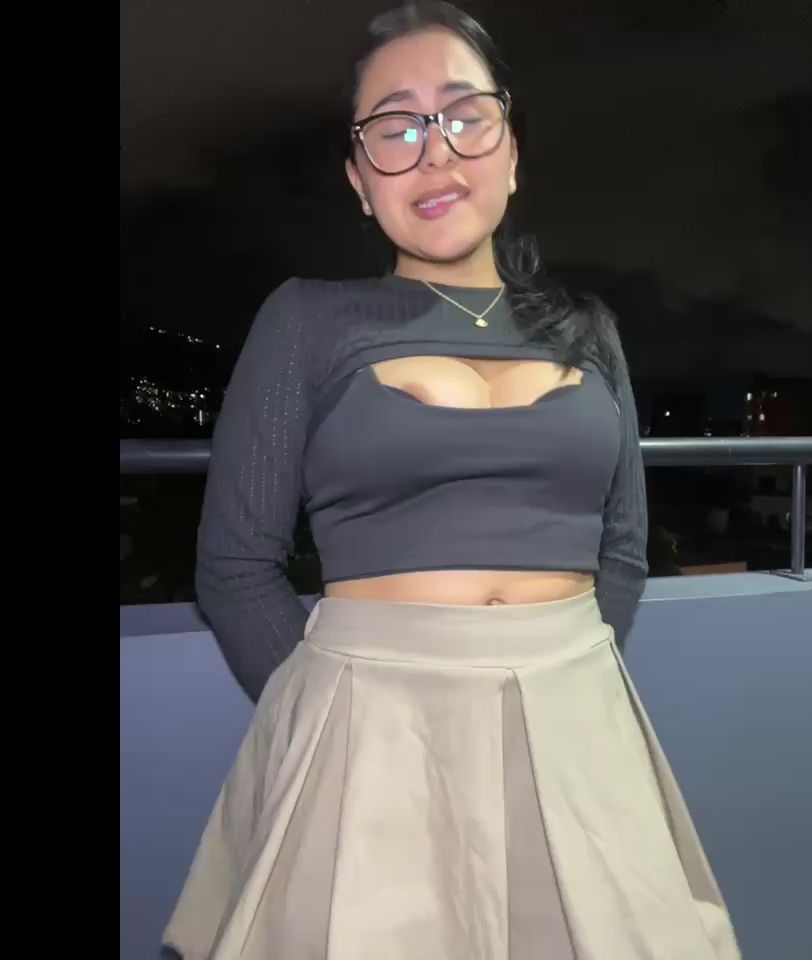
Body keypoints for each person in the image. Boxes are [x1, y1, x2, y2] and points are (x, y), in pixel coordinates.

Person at [161, 4, 740, 958]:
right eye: (394, 128)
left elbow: (623, 548)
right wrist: (334, 711)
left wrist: (567, 681)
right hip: (370, 729)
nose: (434, 151)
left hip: (576, 723)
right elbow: (234, 566)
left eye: (465, 116)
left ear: (511, 153)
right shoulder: (308, 321)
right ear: (360, 182)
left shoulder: (588, 329)